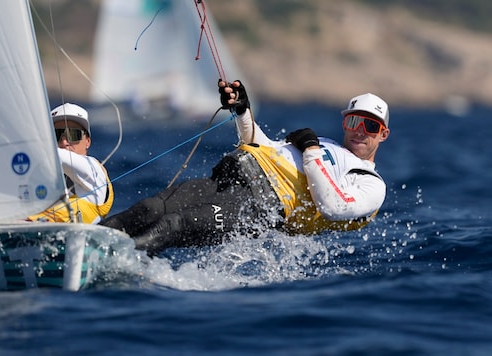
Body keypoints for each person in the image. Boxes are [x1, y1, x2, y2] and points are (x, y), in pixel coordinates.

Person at [100, 80, 390, 256]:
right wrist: (242, 111)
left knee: (174, 225)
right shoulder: (326, 144)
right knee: (151, 208)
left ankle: (113, 259)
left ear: (383, 134)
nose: (360, 131)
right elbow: (258, 145)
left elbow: (334, 207)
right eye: (354, 121)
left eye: (371, 126)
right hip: (234, 177)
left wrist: (311, 150)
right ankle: (84, 236)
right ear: (345, 123)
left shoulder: (371, 183)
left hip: (260, 207)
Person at [28, 103, 113, 224]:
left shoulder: (94, 169)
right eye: (56, 135)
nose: (64, 142)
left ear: (87, 142)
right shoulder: (39, 176)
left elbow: (54, 155)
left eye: (73, 135)